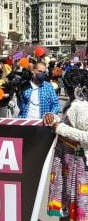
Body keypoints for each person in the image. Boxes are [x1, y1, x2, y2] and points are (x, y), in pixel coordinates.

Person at [43, 69, 88, 220]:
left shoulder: (83, 107)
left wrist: (61, 128)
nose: (67, 92)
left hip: (79, 163)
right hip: (67, 161)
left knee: (79, 203)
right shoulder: (74, 103)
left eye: (68, 89)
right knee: (67, 201)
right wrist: (53, 118)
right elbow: (66, 122)